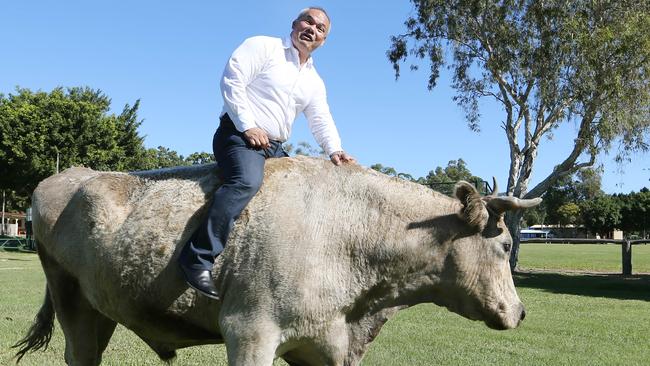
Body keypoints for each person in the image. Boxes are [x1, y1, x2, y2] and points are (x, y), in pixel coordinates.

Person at [179, 7, 355, 299]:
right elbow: (232, 81)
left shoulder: (314, 81)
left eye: (320, 28)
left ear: (323, 41)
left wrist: (335, 150)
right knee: (246, 182)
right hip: (238, 136)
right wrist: (248, 126)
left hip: (275, 147)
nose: (312, 28)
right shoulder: (263, 46)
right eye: (308, 21)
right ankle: (197, 258)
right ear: (295, 24)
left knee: (304, 195)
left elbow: (320, 118)